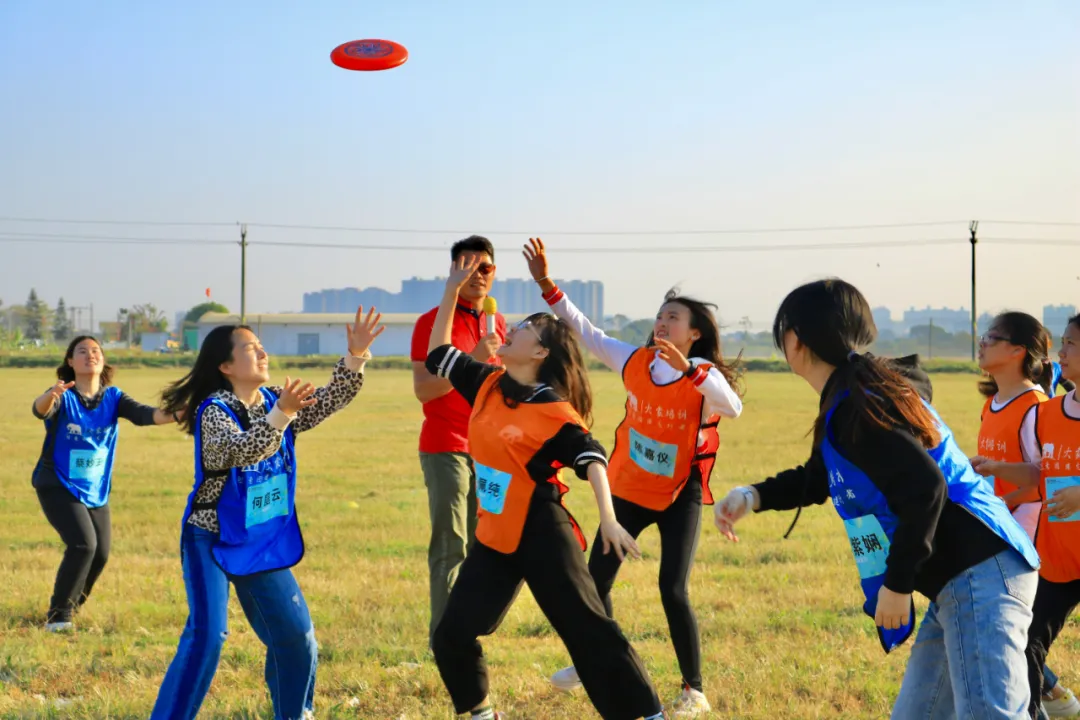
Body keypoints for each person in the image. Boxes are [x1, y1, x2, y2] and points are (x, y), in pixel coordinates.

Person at [717, 278, 1039, 719]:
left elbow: (927, 488)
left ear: (796, 340)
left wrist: (897, 583)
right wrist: (751, 496)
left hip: (980, 572)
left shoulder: (861, 403)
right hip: (960, 579)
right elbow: (822, 477)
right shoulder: (852, 396)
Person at [427, 254, 665, 720]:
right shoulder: (488, 383)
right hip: (496, 533)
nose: (510, 329)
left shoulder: (552, 408)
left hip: (542, 529)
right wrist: (450, 293)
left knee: (589, 631)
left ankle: (647, 714)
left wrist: (611, 521)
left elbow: (592, 459)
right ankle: (479, 713)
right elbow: (439, 355)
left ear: (539, 354)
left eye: (525, 329)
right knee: (451, 632)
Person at [523, 238, 742, 715]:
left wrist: (693, 375)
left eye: (674, 318)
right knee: (592, 580)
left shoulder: (701, 372)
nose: (663, 323)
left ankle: (694, 690)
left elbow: (733, 406)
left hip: (678, 492)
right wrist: (546, 284)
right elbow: (583, 329)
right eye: (660, 315)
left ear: (694, 334)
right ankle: (591, 660)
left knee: (673, 588)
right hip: (628, 489)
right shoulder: (633, 360)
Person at [149, 307, 384, 720]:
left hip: (259, 539)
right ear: (225, 365)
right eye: (250, 348)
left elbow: (329, 400)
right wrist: (283, 414)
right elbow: (240, 449)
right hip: (212, 537)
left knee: (297, 637)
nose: (262, 353)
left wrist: (355, 356)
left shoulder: (277, 400)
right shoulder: (214, 410)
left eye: (261, 346)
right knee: (208, 636)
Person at [32, 335, 182, 632]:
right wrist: (51, 393)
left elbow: (146, 415)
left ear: (103, 361)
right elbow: (40, 410)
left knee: (100, 554)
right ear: (70, 362)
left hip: (94, 486)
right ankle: (58, 616)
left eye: (96, 350)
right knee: (83, 544)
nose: (90, 354)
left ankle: (71, 605)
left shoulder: (113, 398)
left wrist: (181, 412)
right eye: (82, 351)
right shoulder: (64, 396)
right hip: (57, 483)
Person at [972, 314, 1080, 719]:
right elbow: (1040, 474)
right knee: (1026, 642)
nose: (1061, 352)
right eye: (1063, 342)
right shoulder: (1048, 413)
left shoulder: (1031, 403)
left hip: (1045, 542)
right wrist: (995, 468)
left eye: (1071, 343)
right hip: (1058, 557)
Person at [410, 235, 507, 644]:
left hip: (489, 450)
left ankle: (467, 632)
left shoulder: (497, 324)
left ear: (494, 273)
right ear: (451, 272)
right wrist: (475, 361)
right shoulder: (431, 323)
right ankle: (445, 641)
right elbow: (425, 389)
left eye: (483, 268)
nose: (475, 276)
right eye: (465, 268)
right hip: (446, 444)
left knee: (485, 546)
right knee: (451, 544)